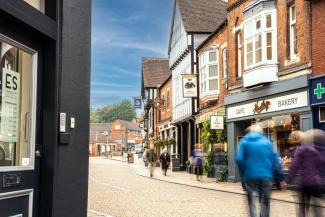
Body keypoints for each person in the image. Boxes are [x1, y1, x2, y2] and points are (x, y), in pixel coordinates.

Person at [236, 124, 285, 217]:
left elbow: (239, 159)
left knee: (251, 202)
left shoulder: (244, 141)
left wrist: (243, 173)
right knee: (265, 202)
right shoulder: (268, 142)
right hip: (266, 176)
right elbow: (276, 161)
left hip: (250, 176)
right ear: (261, 132)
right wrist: (281, 178)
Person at [286, 129, 325, 217]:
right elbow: (322, 166)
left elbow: (294, 167)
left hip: (305, 184)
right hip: (316, 184)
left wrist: (287, 180)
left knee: (302, 207)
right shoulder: (319, 151)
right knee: (317, 207)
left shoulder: (302, 150)